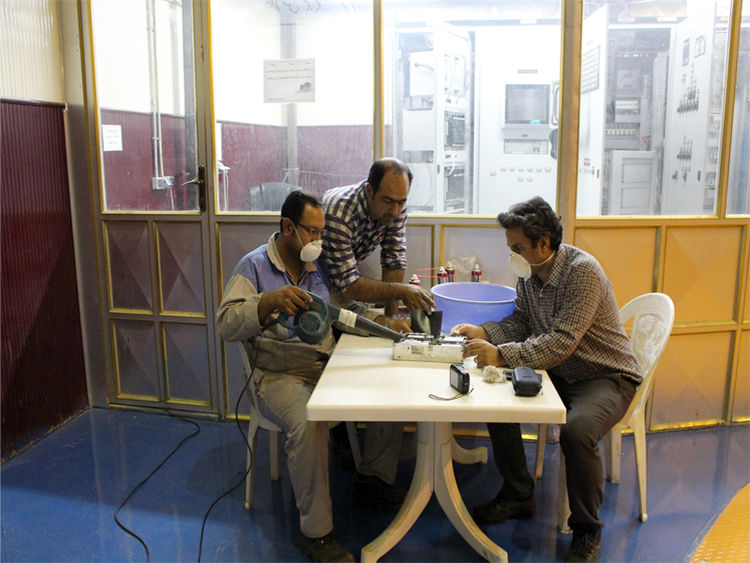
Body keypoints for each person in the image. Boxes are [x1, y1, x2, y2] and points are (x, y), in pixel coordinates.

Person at [216, 190, 405, 562]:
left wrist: (384, 323)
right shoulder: (253, 267)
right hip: (278, 375)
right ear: (289, 228)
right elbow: (225, 323)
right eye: (312, 231)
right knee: (308, 421)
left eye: (321, 232)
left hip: (324, 366)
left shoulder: (318, 267)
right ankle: (317, 534)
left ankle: (374, 480)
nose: (319, 240)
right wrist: (266, 302)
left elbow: (343, 310)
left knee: (389, 387)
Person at [451, 196, 641, 563]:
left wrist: (500, 354)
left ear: (544, 243)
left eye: (518, 248)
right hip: (559, 370)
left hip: (604, 375)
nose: (513, 255)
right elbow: (522, 322)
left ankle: (587, 530)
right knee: (495, 395)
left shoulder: (582, 272)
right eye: (510, 247)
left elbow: (562, 342)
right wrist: (484, 332)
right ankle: (518, 494)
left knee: (577, 430)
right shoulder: (530, 273)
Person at [321, 158, 435, 316]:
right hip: (315, 279)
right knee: (346, 321)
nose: (395, 211)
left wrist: (391, 319)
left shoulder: (395, 206)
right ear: (369, 191)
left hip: (343, 278)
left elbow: (394, 260)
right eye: (388, 201)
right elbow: (348, 286)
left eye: (401, 202)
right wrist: (401, 291)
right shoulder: (339, 213)